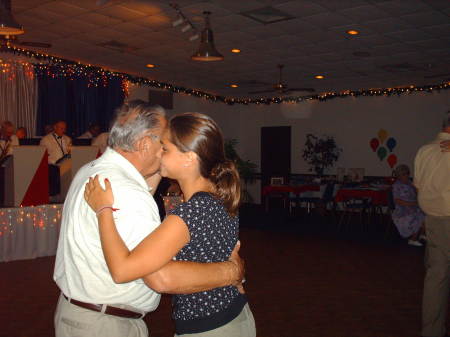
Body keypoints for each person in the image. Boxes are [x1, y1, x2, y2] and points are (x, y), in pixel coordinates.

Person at [54, 101, 244, 337]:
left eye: (167, 147)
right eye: (161, 143)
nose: (161, 152)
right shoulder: (215, 199)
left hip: (81, 313)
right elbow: (159, 276)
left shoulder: (91, 169)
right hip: (106, 324)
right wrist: (231, 272)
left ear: (189, 158)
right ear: (145, 143)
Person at [414, 113, 450, 337]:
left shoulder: (424, 150)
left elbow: (418, 187)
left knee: (436, 278)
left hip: (434, 220)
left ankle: (432, 331)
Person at [391, 164, 425, 246]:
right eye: (403, 174)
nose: (406, 176)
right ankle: (413, 239)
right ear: (398, 176)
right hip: (402, 208)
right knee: (418, 216)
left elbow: (417, 194)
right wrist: (412, 203)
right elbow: (398, 201)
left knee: (426, 213)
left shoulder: (410, 183)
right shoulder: (396, 186)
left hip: (413, 206)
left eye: (407, 174)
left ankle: (421, 235)